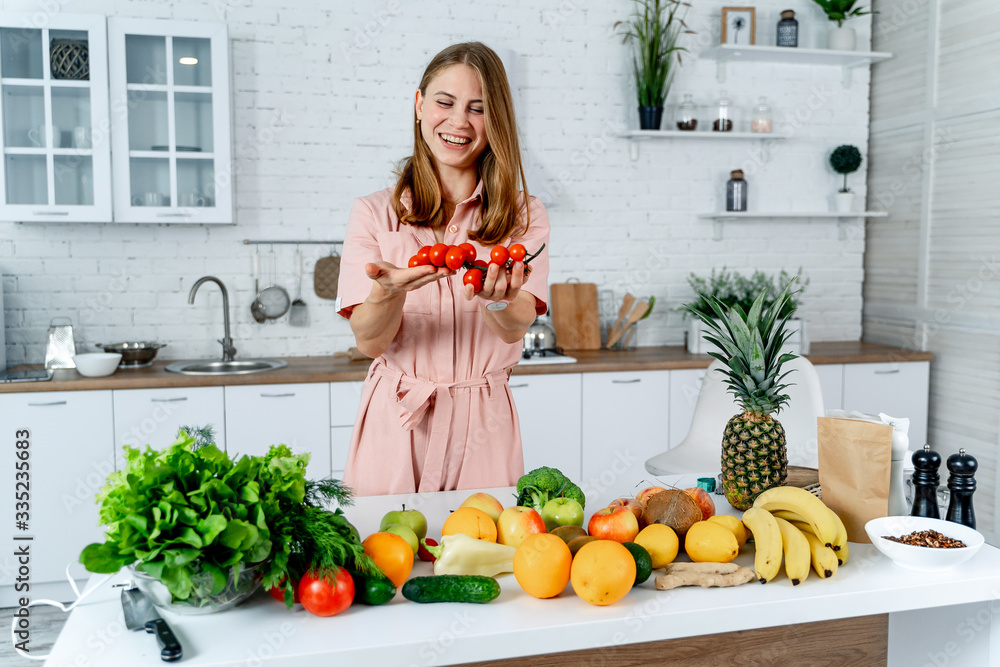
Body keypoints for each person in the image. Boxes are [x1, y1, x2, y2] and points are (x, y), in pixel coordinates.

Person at [337, 42, 550, 496]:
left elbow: (515, 329)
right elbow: (369, 340)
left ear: (497, 123)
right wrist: (387, 293)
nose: (458, 122)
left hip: (484, 425)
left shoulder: (523, 215)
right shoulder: (373, 213)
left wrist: (499, 295)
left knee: (484, 557)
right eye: (444, 102)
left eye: (478, 108)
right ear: (419, 105)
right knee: (385, 557)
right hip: (395, 419)